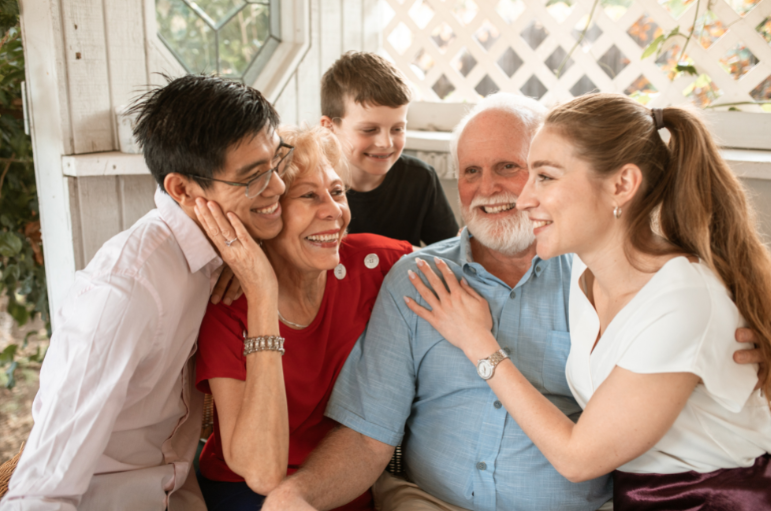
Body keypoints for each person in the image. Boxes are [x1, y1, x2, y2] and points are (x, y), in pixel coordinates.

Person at [261, 93, 766, 511]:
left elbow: (583, 453)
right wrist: (299, 495)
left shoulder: (608, 278)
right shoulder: (420, 277)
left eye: (518, 169)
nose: (496, 190)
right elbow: (369, 437)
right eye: (471, 172)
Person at [0, 75, 288, 511]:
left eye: (275, 162)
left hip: (181, 494)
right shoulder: (124, 291)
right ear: (182, 190)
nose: (278, 187)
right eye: (254, 178)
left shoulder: (222, 251)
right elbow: (41, 491)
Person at [193, 125, 414, 511]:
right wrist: (263, 294)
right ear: (267, 213)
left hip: (342, 483)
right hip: (247, 494)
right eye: (309, 196)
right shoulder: (228, 306)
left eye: (338, 191)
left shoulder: (372, 264)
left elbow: (463, 258)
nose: (334, 211)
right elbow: (262, 473)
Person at [320, 51, 459, 246]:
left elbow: (450, 253)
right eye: (369, 129)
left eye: (397, 129)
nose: (386, 143)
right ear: (329, 128)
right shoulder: (311, 184)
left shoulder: (421, 180)